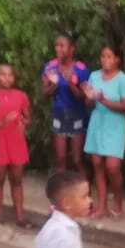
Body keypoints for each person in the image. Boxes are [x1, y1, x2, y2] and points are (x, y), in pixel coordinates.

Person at [83, 46, 125, 219]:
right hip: (97, 123)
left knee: (113, 167)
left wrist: (103, 100)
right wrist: (89, 98)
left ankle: (118, 202)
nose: (105, 60)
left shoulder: (122, 79)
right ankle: (102, 206)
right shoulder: (94, 76)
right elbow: (88, 104)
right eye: (103, 56)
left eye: (109, 56)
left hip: (115, 126)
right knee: (97, 164)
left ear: (116, 59)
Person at [0, 64, 33, 229]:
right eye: (3, 74)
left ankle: (20, 216)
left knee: (17, 180)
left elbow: (28, 118)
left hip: (16, 141)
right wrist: (2, 123)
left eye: (10, 75)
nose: (7, 78)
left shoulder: (20, 95)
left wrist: (24, 122)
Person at [41, 33, 90, 178]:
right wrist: (54, 85)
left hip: (77, 115)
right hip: (59, 114)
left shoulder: (81, 69)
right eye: (56, 45)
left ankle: (85, 194)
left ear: (72, 49)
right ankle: (61, 196)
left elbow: (84, 96)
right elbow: (44, 94)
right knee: (60, 159)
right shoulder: (50, 67)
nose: (58, 49)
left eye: (62, 45)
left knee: (77, 160)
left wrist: (71, 84)